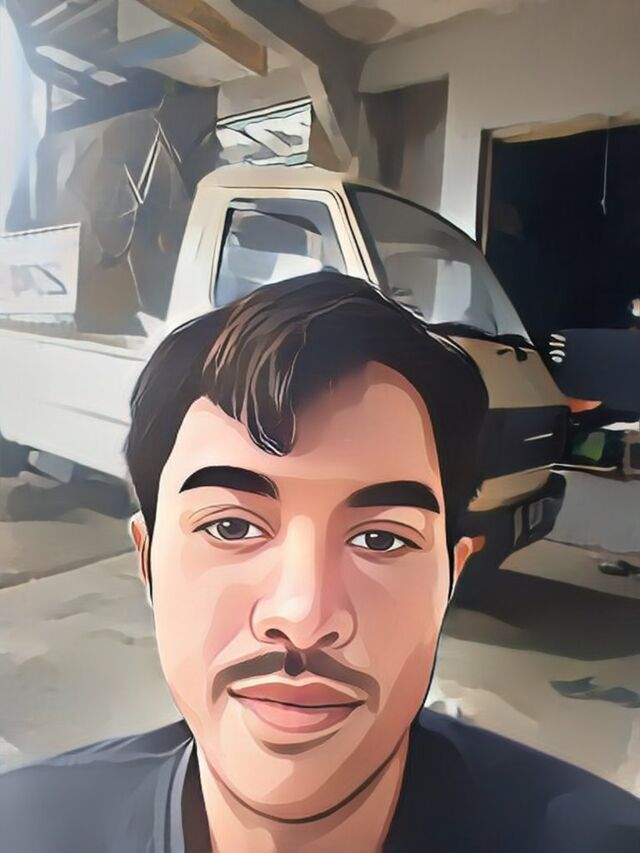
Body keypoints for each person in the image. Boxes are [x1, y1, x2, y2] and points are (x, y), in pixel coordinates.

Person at [0, 274, 637, 852]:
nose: (303, 616)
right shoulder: (25, 828)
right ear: (147, 562)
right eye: (231, 526)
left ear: (451, 577)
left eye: (381, 539)